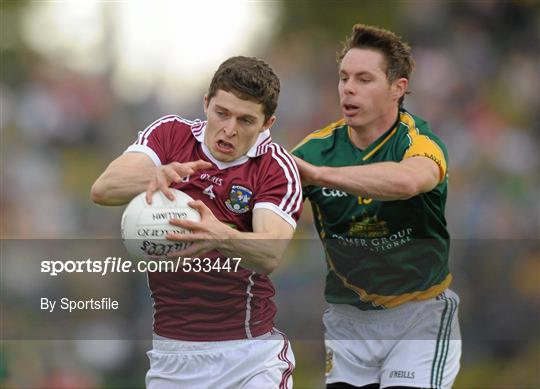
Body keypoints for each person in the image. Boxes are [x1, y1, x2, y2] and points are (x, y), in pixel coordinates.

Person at [91, 56, 302, 388]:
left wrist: (218, 234)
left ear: (267, 124)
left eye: (246, 120)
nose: (230, 129)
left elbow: (270, 251)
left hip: (249, 357)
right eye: (222, 113)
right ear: (206, 104)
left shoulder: (275, 168)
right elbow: (104, 188)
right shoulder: (171, 135)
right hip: (172, 357)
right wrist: (154, 174)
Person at [292, 24, 461, 389]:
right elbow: (265, 215)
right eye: (343, 77)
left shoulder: (421, 141)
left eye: (364, 79)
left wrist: (323, 176)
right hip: (348, 323)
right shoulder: (311, 151)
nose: (348, 88)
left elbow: (407, 182)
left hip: (419, 317)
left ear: (397, 88)